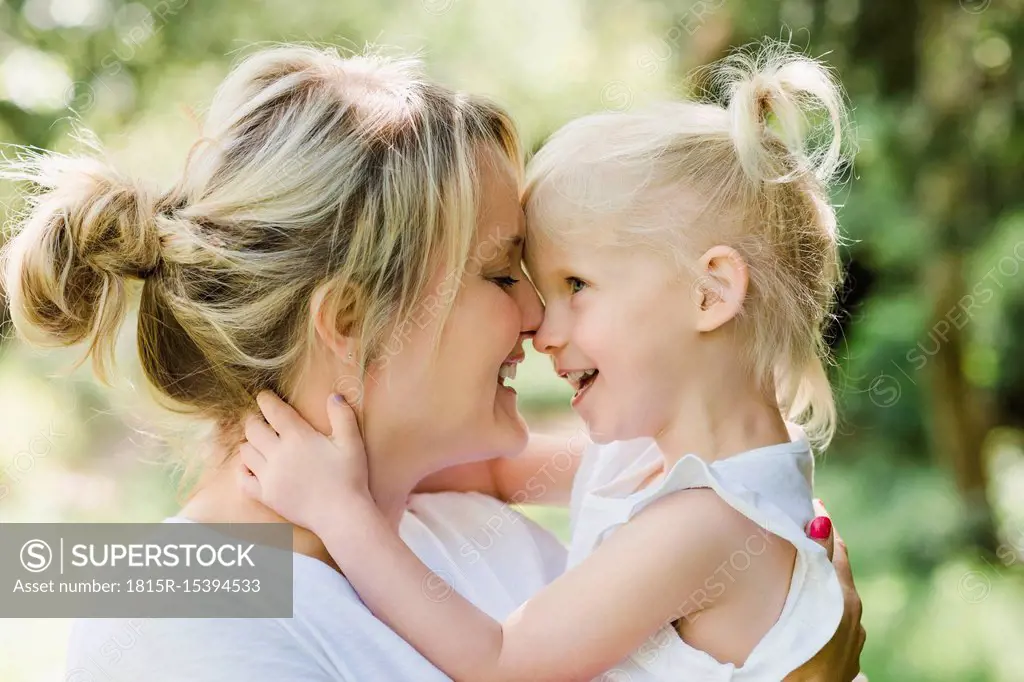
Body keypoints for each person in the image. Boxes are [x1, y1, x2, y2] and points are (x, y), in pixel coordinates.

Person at [0, 44, 864, 681]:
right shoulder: (175, 615)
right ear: (350, 318)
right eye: (502, 274)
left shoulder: (435, 523)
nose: (535, 318)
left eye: (563, 283)